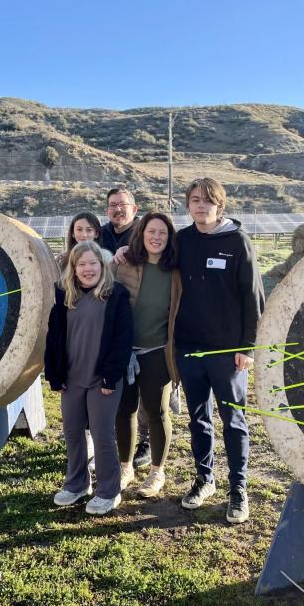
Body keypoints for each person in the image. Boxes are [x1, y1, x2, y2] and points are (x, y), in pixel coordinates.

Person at [174, 178, 265, 524]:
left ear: (219, 206)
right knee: (198, 418)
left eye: (207, 201)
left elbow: (253, 297)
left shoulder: (237, 242)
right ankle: (204, 479)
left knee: (234, 420)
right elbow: (151, 258)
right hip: (190, 348)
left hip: (228, 352)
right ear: (188, 205)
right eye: (195, 200)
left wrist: (247, 348)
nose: (200, 206)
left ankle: (238, 488)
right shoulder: (182, 241)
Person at [44, 240, 133, 515]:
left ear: (102, 265)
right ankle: (77, 484)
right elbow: (54, 336)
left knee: (102, 434)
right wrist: (55, 375)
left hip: (102, 380)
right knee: (72, 432)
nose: (87, 269)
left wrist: (110, 377)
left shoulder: (115, 294)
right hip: (72, 378)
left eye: (92, 263)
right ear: (73, 268)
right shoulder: (64, 294)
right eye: (81, 264)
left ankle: (109, 490)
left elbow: (122, 340)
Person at [113, 212, 181, 498]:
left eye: (162, 233)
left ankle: (156, 472)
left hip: (157, 352)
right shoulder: (124, 263)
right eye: (151, 231)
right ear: (141, 234)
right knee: (124, 409)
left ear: (169, 238)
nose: (156, 237)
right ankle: (125, 467)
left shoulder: (176, 271)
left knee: (157, 411)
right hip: (125, 350)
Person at [100, 186, 153, 469]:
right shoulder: (100, 234)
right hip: (106, 319)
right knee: (113, 384)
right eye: (112, 205)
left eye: (123, 204)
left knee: (142, 386)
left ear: (134, 209)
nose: (117, 209)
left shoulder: (145, 233)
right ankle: (110, 436)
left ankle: (145, 441)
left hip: (139, 318)